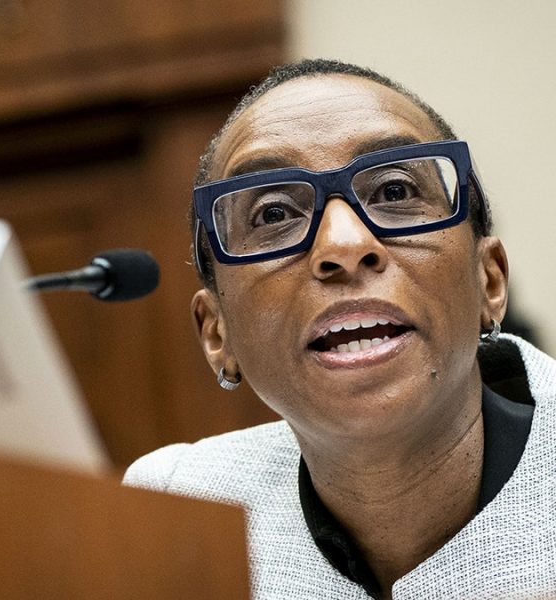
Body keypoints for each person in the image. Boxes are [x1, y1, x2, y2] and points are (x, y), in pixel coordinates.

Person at [123, 59, 556, 599]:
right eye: (274, 214)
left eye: (394, 192)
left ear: (489, 281)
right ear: (217, 334)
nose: (344, 246)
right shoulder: (176, 512)